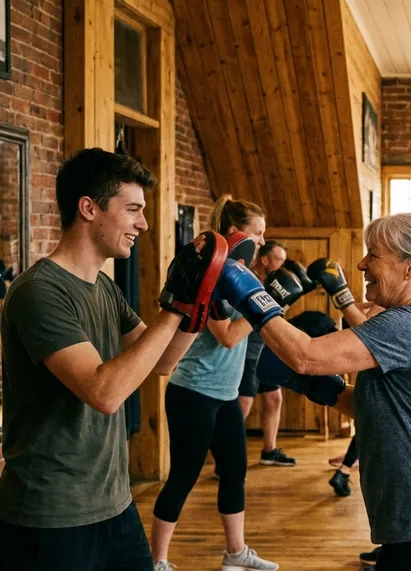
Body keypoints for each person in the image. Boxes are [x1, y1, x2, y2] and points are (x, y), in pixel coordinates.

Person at [0, 148, 220, 570]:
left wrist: (197, 306)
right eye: (133, 209)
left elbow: (161, 362)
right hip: (51, 515)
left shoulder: (104, 287)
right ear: (88, 208)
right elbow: (105, 392)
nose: (144, 224)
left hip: (113, 503)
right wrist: (173, 308)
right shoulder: (40, 292)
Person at [223, 212, 411, 569]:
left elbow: (305, 355)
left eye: (374, 255)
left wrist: (248, 291)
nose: (361, 264)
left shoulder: (408, 324)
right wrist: (317, 387)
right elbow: (380, 407)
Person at [150, 195, 278, 571]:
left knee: (235, 471)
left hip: (223, 393)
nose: (262, 241)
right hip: (194, 390)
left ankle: (235, 553)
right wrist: (264, 305)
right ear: (237, 234)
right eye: (257, 233)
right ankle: (157, 561)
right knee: (184, 475)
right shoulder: (214, 273)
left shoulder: (244, 275)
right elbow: (227, 336)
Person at [239, 239, 298, 467]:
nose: (282, 264)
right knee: (243, 405)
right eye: (279, 260)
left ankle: (269, 450)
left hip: (268, 349)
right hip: (248, 350)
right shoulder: (248, 282)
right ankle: (224, 461)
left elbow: (277, 316)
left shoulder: (278, 283)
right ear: (265, 260)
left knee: (274, 399)